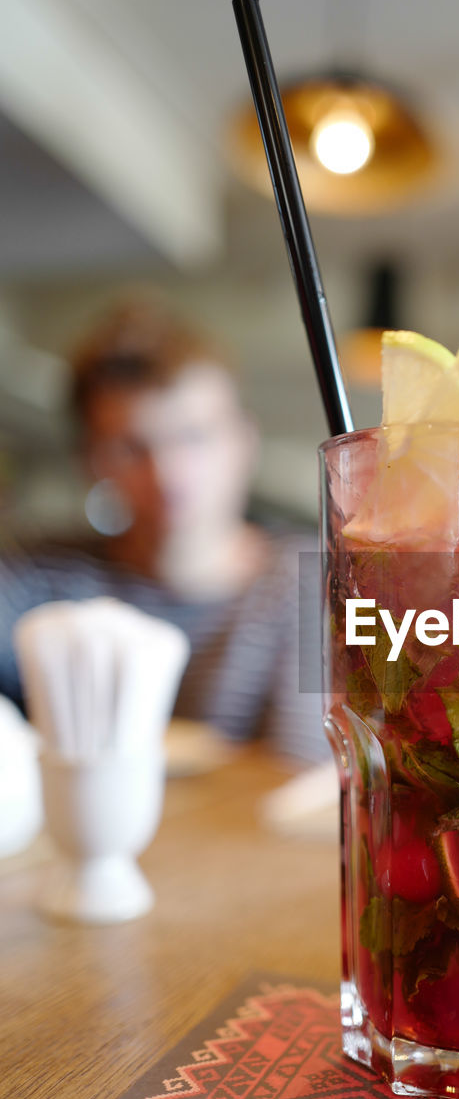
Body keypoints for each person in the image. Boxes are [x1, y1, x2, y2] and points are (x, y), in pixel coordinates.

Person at [0, 302, 327, 764]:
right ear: (88, 463)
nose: (168, 473)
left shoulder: (317, 581)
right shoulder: (40, 577)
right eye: (131, 448)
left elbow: (305, 777)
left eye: (194, 436)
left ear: (245, 441)